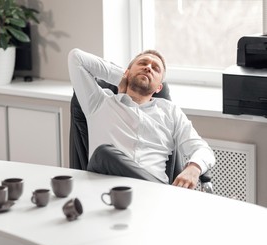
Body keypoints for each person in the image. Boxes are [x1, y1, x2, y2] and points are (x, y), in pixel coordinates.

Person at [68, 48, 216, 189]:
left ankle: (161, 191)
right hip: (107, 189)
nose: (148, 68)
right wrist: (121, 77)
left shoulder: (170, 112)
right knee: (103, 154)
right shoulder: (98, 101)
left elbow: (203, 149)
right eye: (142, 63)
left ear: (159, 87)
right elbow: (76, 58)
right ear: (126, 72)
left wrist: (194, 167)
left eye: (155, 68)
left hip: (153, 195)